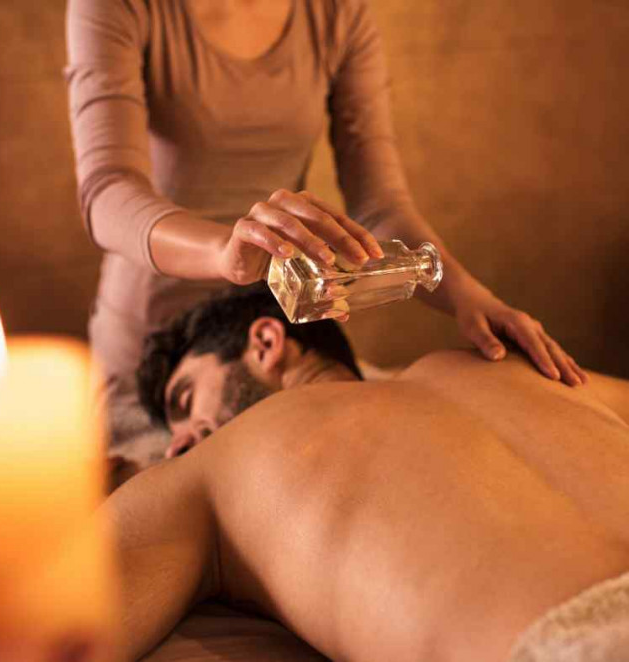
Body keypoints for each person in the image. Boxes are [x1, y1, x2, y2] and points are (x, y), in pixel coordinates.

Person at [0, 285, 629, 662]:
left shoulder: (225, 463)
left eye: (185, 401)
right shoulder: (513, 370)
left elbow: (33, 633)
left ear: (266, 341)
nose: (180, 442)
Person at [64, 0, 586, 438]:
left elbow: (379, 205)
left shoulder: (338, 13)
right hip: (162, 364)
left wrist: (467, 294)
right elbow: (108, 191)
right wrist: (224, 253)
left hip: (274, 342)